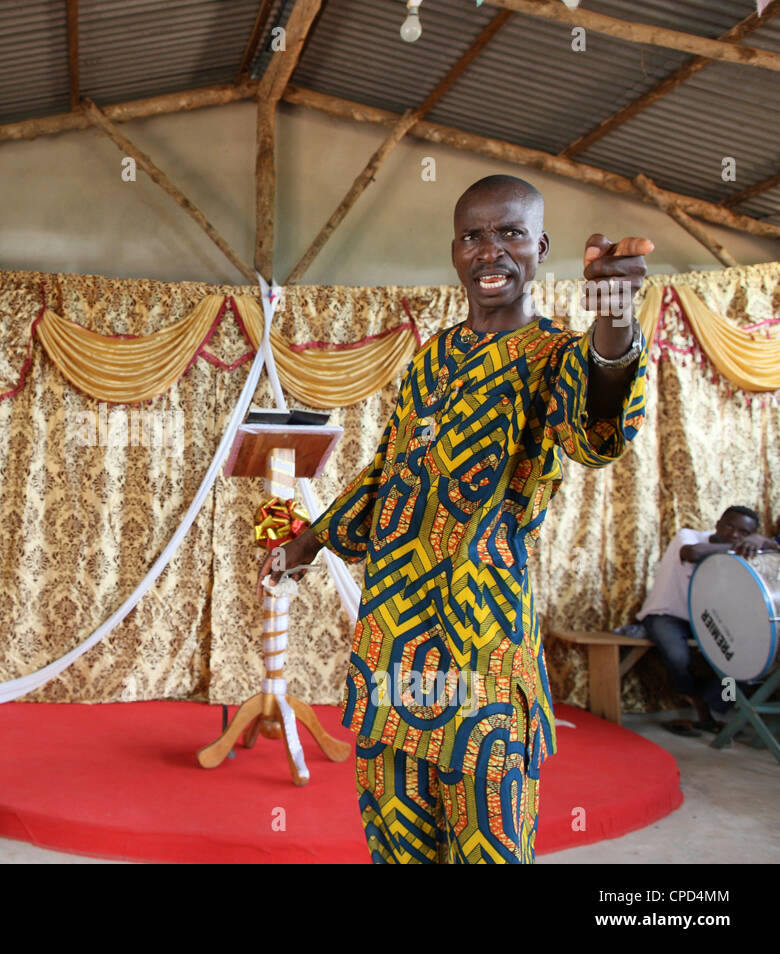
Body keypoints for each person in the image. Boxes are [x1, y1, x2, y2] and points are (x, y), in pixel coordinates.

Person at [261, 174, 652, 864]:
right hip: (394, 648)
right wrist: (307, 543)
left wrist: (614, 320)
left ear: (541, 246)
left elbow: (595, 431)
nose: (490, 251)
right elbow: (388, 474)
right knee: (397, 848)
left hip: (483, 653)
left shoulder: (557, 355)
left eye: (509, 233)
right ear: (454, 250)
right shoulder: (430, 360)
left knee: (489, 850)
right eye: (473, 235)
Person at [637, 505, 778, 737]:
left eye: (743, 533)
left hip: (705, 619)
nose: (734, 534)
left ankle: (717, 704)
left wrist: (762, 542)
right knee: (677, 656)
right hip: (666, 614)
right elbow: (693, 553)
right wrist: (742, 546)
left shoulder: (745, 554)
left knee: (746, 660)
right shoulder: (689, 536)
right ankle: (700, 709)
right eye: (730, 526)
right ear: (718, 523)